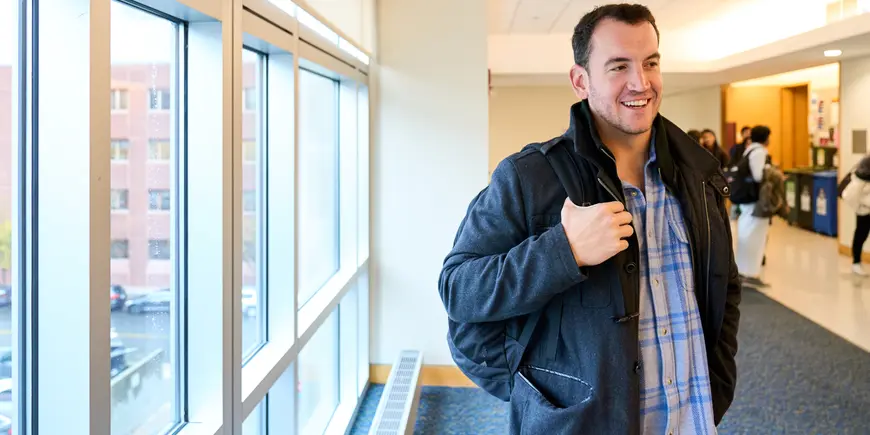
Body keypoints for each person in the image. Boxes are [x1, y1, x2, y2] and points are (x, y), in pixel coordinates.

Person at [439, 4, 740, 434]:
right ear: (581, 81)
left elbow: (724, 287)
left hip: (693, 421)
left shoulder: (697, 175)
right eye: (619, 66)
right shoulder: (530, 177)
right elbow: (459, 289)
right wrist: (564, 251)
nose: (641, 82)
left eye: (650, 62)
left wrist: (719, 383)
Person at [734, 125, 772, 287]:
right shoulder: (759, 152)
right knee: (754, 236)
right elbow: (758, 176)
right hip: (754, 200)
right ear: (765, 138)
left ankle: (743, 271)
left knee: (747, 233)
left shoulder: (748, 150)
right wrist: (770, 171)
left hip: (745, 199)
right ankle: (750, 273)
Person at [841, 154, 870, 276]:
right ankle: (856, 263)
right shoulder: (863, 173)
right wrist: (861, 206)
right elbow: (850, 195)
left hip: (865, 206)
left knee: (861, 234)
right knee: (861, 234)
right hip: (864, 209)